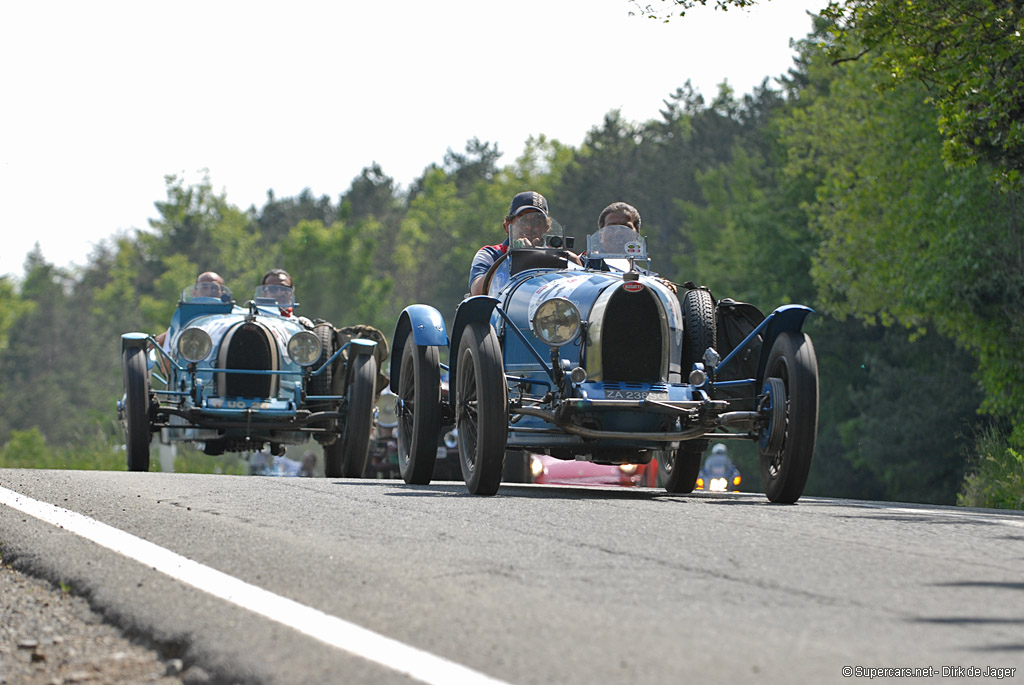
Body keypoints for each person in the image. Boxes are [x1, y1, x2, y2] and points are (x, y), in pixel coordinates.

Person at [468, 191, 550, 296]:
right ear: (508, 225)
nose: (529, 227)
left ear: (546, 228)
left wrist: (573, 261)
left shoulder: (557, 258)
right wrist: (511, 257)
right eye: (522, 220)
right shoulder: (490, 255)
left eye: (536, 221)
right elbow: (477, 291)